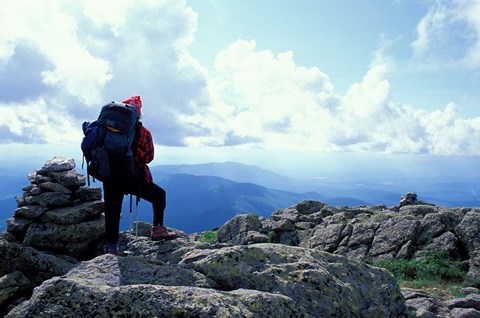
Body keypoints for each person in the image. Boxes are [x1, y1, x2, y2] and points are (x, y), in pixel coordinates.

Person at [103, 95, 176, 255]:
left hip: (109, 175)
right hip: (132, 177)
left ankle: (112, 247)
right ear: (138, 113)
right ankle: (158, 229)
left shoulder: (106, 128)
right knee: (159, 195)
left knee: (112, 210)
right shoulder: (143, 132)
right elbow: (149, 157)